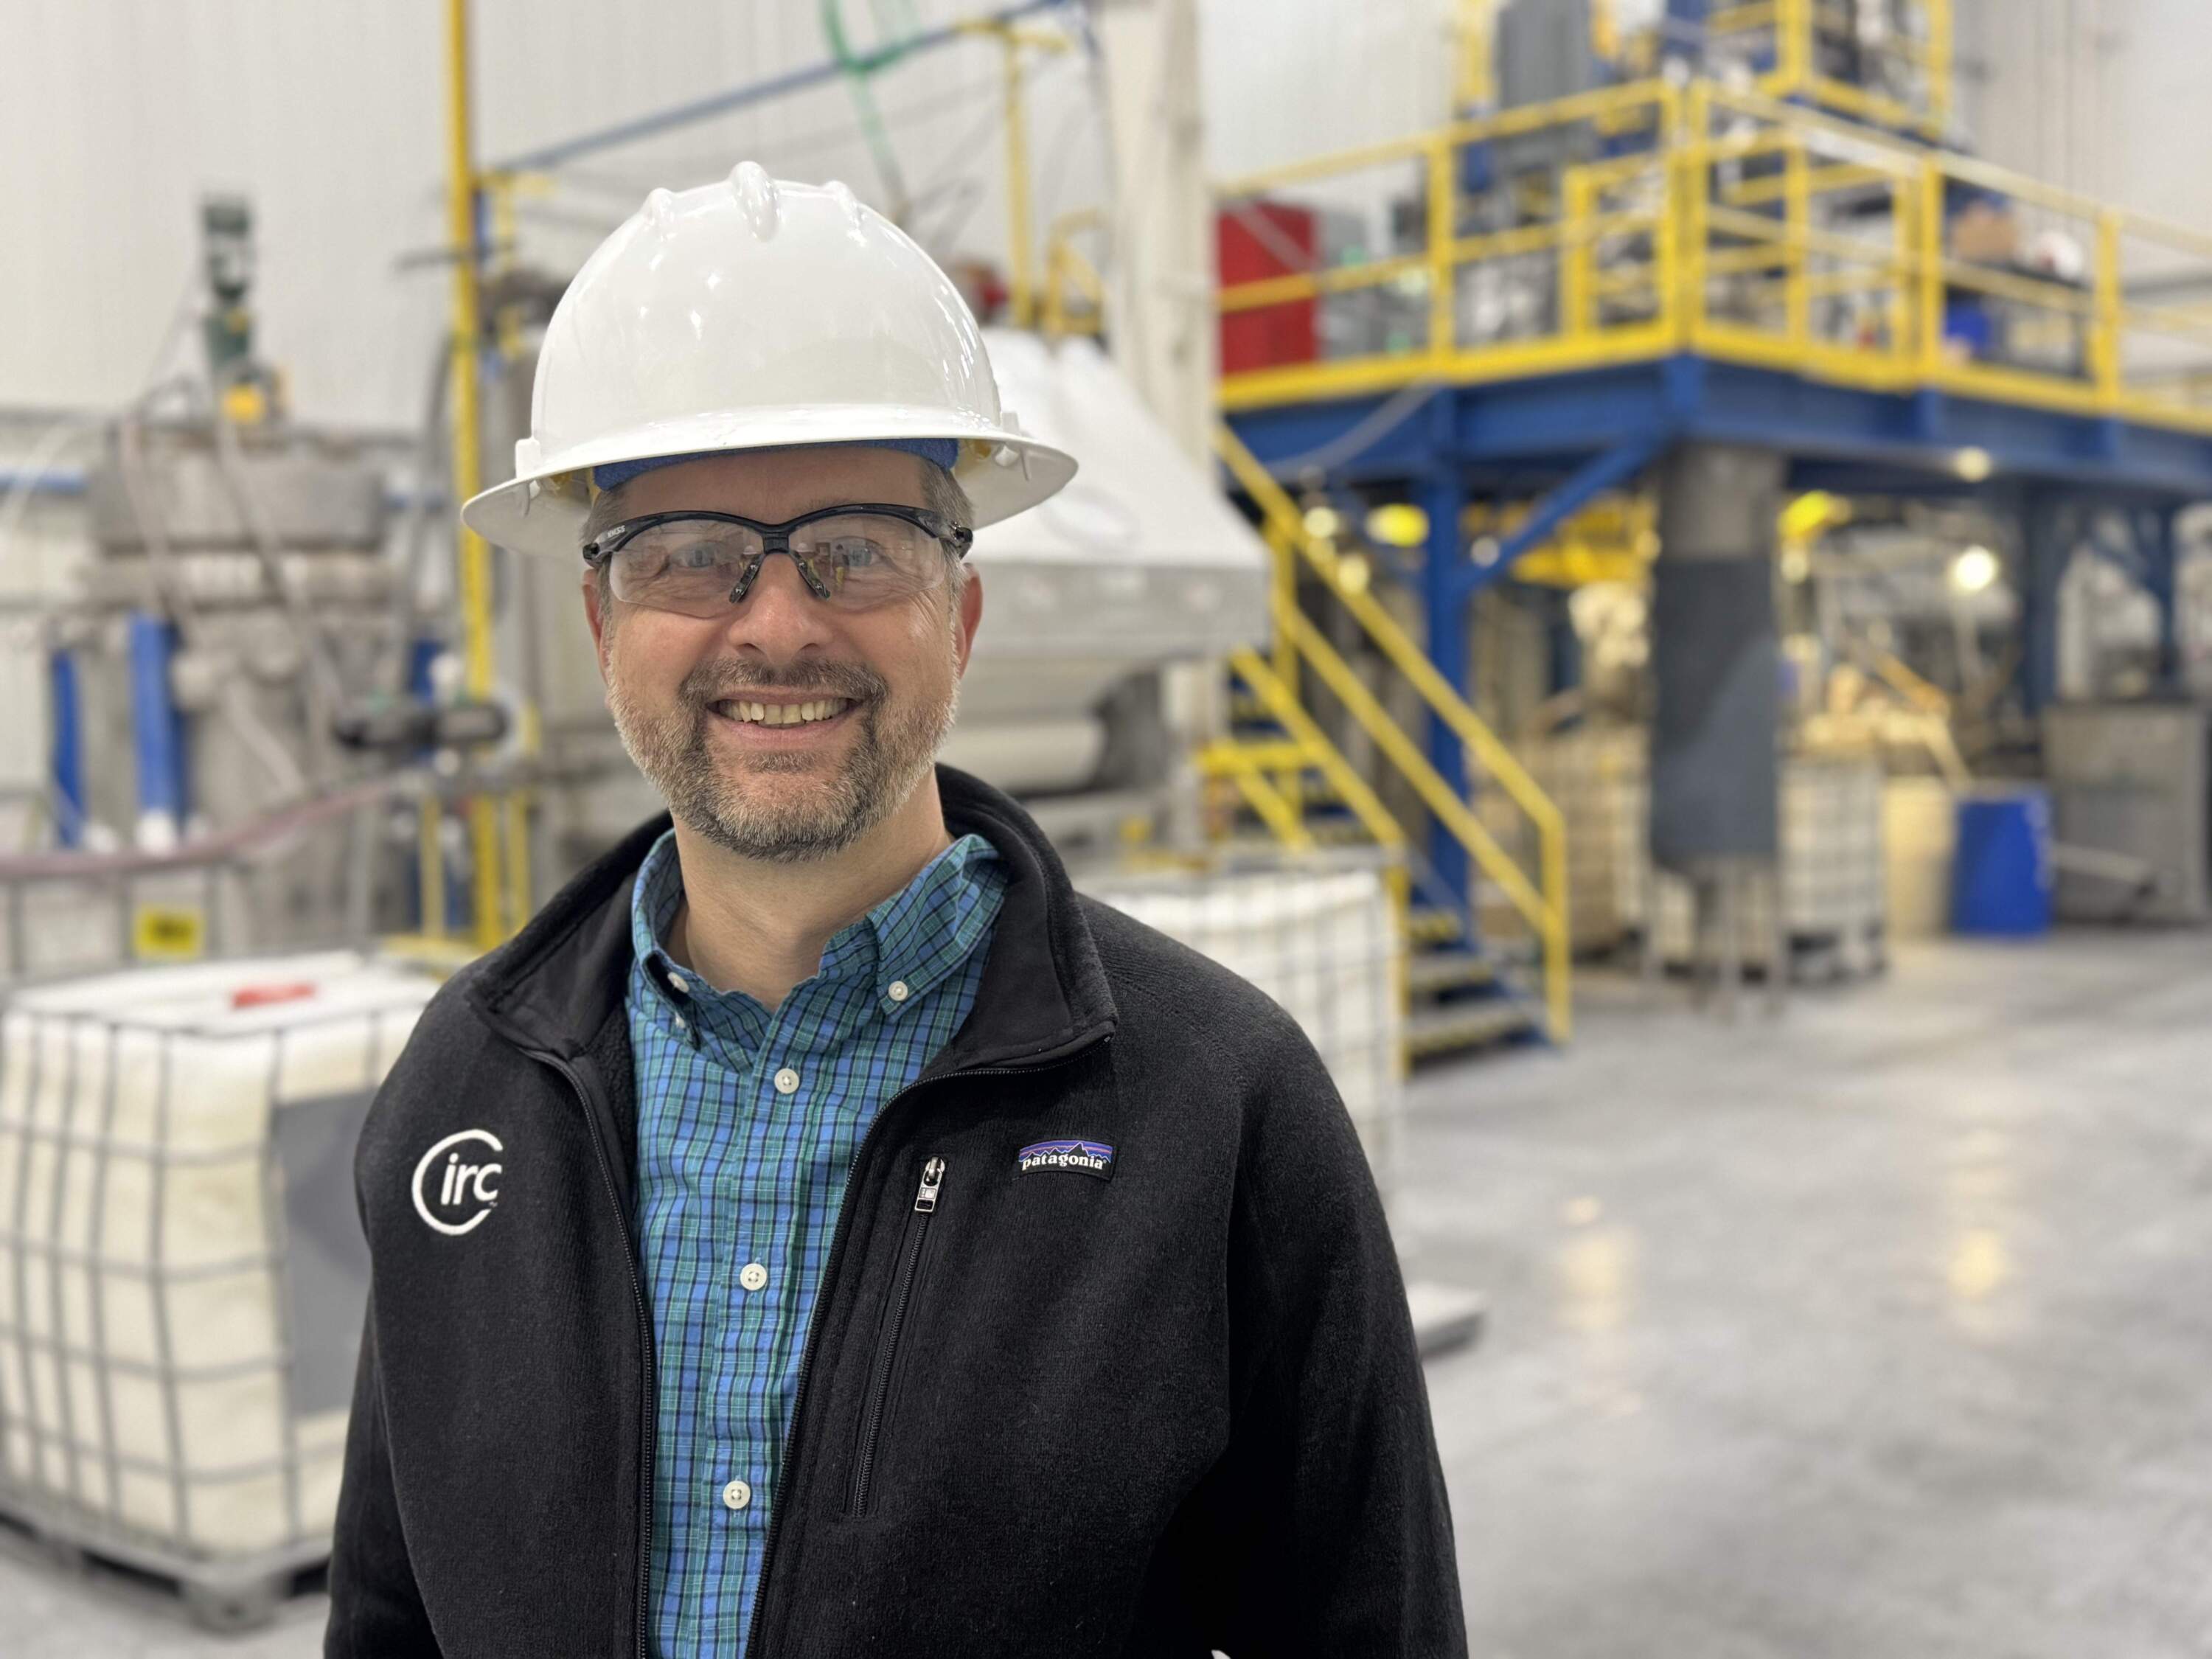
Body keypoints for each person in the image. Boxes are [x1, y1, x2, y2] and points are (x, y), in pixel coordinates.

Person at [327, 163, 1463, 1658]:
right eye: (689, 556)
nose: (777, 623)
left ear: (961, 618)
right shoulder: (468, 1092)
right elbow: (389, 1614)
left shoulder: (1217, 1108)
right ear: (603, 621)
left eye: (856, 549)